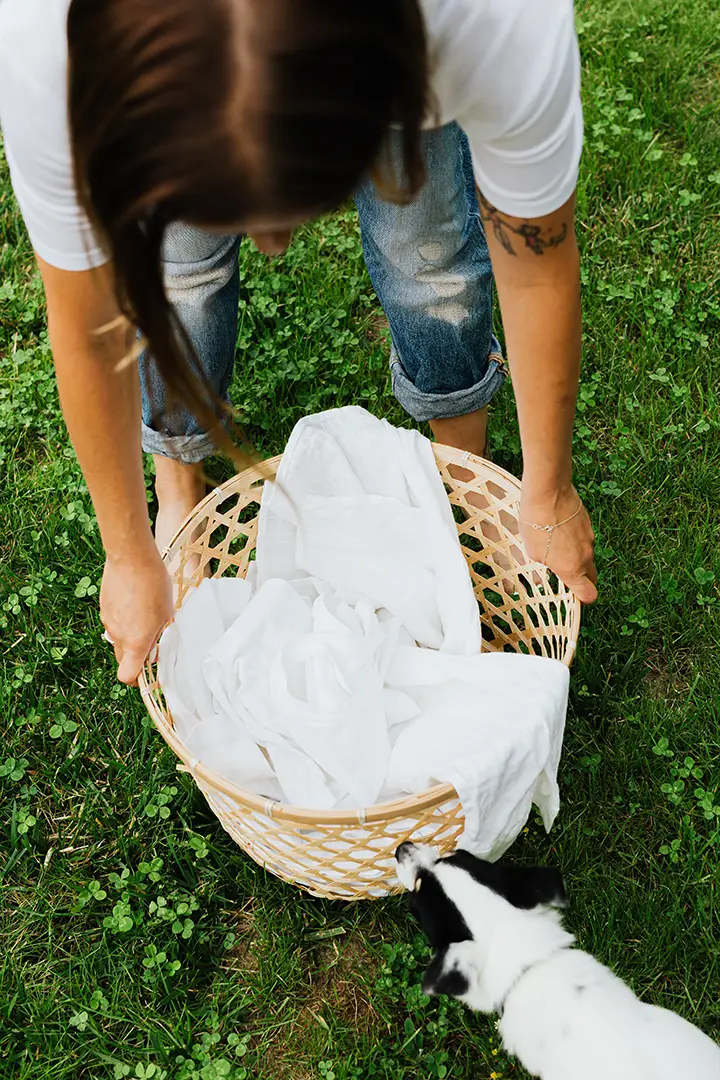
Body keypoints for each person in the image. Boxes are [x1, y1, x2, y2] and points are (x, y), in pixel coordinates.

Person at [0, 0, 597, 685]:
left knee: (426, 250)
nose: (274, 249)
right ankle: (177, 478)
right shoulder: (50, 58)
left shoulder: (491, 26)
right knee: (180, 273)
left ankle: (463, 478)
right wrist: (126, 551)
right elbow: (86, 323)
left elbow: (536, 263)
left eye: (295, 209)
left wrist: (547, 489)